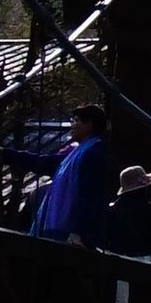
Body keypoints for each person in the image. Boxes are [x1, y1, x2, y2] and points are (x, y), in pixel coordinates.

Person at [32, 100, 115, 247]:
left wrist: (79, 231)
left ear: (89, 125)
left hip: (69, 235)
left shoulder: (92, 153)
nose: (72, 125)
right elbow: (43, 162)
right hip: (61, 229)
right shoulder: (77, 153)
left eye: (76, 121)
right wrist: (4, 153)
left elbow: (90, 195)